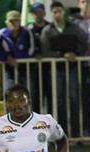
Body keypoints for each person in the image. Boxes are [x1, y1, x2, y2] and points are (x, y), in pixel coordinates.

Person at [40, 1, 87, 137]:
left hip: (73, 67)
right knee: (58, 99)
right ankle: (61, 132)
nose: (58, 14)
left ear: (64, 12)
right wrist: (61, 55)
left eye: (59, 11)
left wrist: (76, 54)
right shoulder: (47, 30)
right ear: (52, 13)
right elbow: (45, 50)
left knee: (74, 97)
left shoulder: (74, 27)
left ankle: (76, 131)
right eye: (55, 12)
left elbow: (83, 42)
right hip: (56, 69)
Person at [0, 11, 35, 94]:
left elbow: (31, 50)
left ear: (20, 21)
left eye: (16, 20)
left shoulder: (27, 32)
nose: (14, 23)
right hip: (8, 70)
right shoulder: (1, 34)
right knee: (9, 93)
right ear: (6, 23)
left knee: (27, 94)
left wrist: (17, 59)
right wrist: (7, 58)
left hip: (26, 69)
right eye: (11, 21)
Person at [26, 2, 52, 114]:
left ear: (44, 13)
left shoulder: (51, 27)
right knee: (34, 98)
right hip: (34, 69)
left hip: (50, 68)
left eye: (40, 12)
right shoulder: (28, 29)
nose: (38, 14)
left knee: (51, 97)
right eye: (35, 12)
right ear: (32, 14)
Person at [71, 0, 90, 136]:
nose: (87, 4)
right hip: (81, 66)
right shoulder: (74, 23)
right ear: (79, 5)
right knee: (83, 98)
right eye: (84, 1)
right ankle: (84, 130)